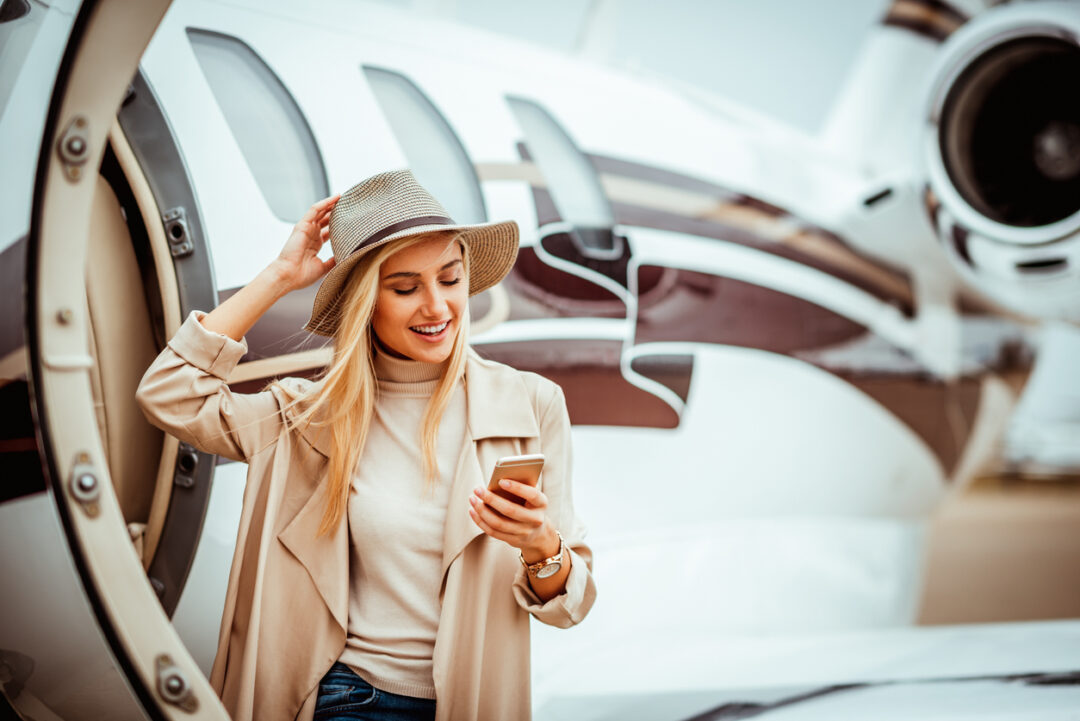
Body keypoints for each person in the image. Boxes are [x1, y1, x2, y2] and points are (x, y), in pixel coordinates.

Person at [136, 170, 597, 721]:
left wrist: (542, 544)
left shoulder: (531, 404)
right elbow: (169, 394)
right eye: (405, 288)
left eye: (450, 279)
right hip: (350, 701)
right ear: (365, 304)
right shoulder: (307, 417)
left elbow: (570, 606)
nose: (437, 307)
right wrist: (282, 275)